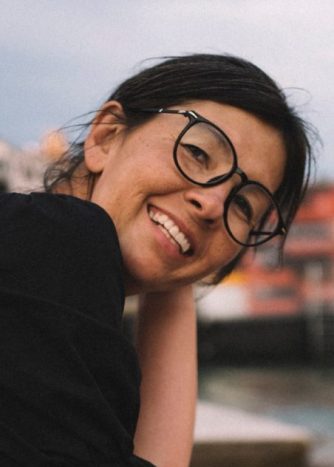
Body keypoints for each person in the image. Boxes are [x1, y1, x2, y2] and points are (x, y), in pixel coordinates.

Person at [0, 54, 314, 467]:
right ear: (106, 136)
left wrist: (177, 254)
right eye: (199, 154)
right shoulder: (58, 235)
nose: (213, 205)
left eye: (243, 207)